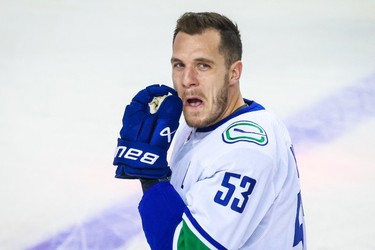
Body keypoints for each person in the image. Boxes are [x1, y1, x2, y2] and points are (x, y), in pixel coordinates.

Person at [113, 12, 306, 250]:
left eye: (203, 66)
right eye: (179, 65)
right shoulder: (196, 126)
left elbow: (188, 247)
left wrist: (151, 177)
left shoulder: (247, 152)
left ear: (234, 72)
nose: (187, 79)